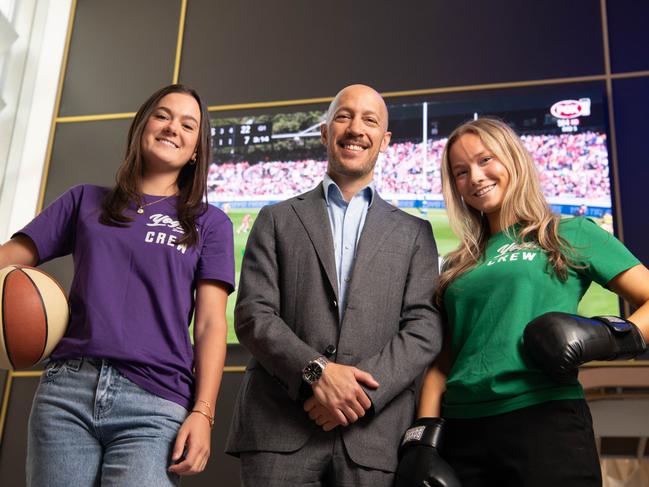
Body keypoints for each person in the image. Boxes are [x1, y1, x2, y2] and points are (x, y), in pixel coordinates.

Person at [0, 84, 235, 486]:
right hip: (66, 393)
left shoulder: (210, 223)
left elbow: (212, 324)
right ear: (142, 126)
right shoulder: (84, 201)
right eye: (162, 115)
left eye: (187, 124)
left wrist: (204, 412)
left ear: (196, 149)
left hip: (156, 401)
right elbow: (8, 259)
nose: (172, 127)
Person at [396, 117, 649, 486]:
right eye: (461, 171)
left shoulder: (568, 233)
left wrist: (606, 336)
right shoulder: (457, 264)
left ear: (512, 159)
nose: (475, 177)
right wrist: (423, 442)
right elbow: (443, 361)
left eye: (485, 160)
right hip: (462, 430)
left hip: (544, 420)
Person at [226, 84, 442, 486]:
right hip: (279, 428)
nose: (355, 128)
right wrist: (316, 373)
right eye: (343, 116)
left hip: (373, 437)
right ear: (325, 132)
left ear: (385, 140)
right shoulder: (275, 219)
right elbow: (253, 314)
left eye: (369, 120)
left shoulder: (415, 234)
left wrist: (356, 397)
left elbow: (424, 330)